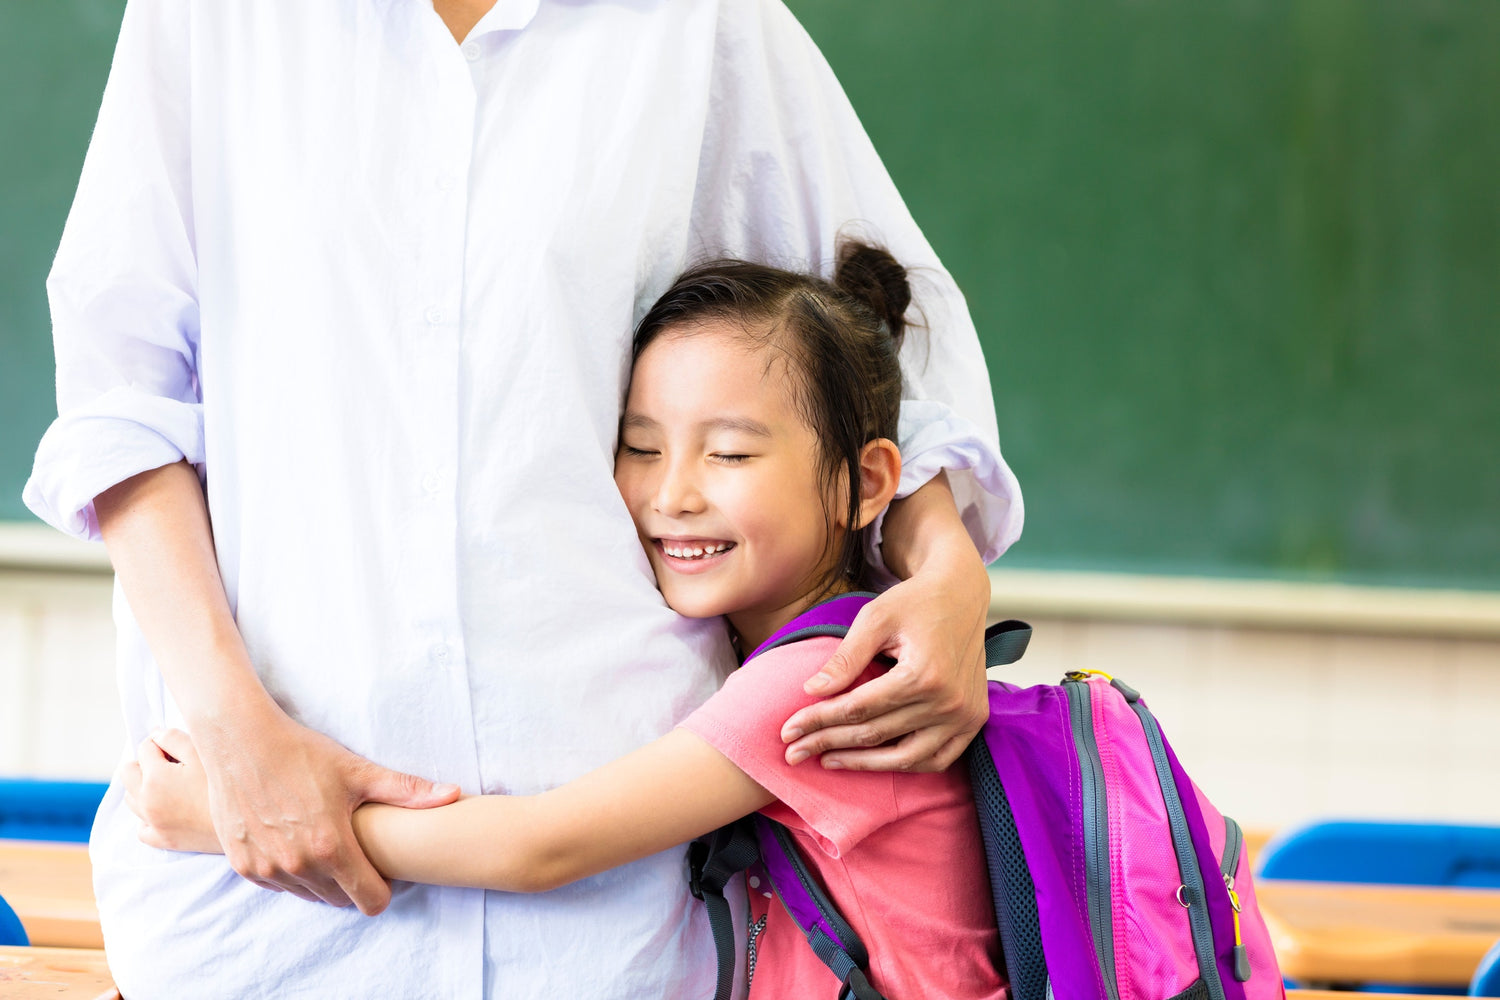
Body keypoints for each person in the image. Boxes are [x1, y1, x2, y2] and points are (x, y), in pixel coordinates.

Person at [24, 1, 1021, 995]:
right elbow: (123, 404)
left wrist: (946, 571)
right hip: (256, 904)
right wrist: (236, 739)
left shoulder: (702, 26)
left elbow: (885, 344)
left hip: (615, 917)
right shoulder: (214, 20)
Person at [124, 243, 1008, 1000]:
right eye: (640, 447)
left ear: (867, 482)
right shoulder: (801, 649)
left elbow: (540, 848)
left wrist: (231, 819)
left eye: (731, 452)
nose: (674, 495)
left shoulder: (821, 679)